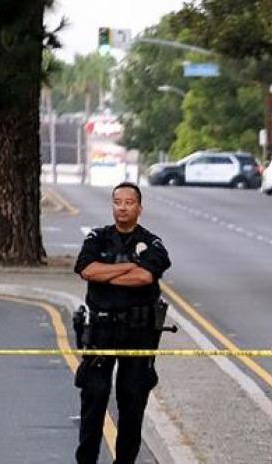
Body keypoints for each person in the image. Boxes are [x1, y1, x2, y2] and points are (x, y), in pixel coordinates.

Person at [73, 182, 171, 464]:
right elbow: (86, 269)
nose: (122, 207)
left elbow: (145, 278)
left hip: (138, 332)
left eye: (129, 202)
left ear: (139, 207)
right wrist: (129, 265)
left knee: (132, 398)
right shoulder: (97, 238)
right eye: (118, 202)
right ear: (112, 205)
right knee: (95, 395)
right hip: (101, 329)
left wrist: (107, 274)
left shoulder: (152, 242)